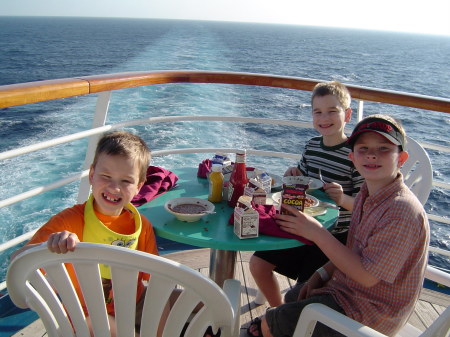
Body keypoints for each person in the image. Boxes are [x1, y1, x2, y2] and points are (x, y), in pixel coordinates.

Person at [247, 114, 430, 337]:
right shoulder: (368, 193)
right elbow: (355, 247)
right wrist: (321, 273)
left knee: (265, 327)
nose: (372, 154)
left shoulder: (401, 211)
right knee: (292, 299)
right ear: (353, 158)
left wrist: (316, 232)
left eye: (383, 148)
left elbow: (367, 277)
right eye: (363, 149)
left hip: (368, 313)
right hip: (346, 291)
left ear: (401, 158)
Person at [10, 131, 173, 336]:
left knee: (169, 294)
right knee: (98, 323)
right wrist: (48, 246)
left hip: (134, 304)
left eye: (126, 181)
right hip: (88, 318)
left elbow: (156, 277)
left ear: (139, 186)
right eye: (106, 176)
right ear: (91, 175)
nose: (114, 187)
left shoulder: (143, 227)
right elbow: (17, 260)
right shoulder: (67, 222)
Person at [250, 81, 364, 307]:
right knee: (257, 264)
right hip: (302, 226)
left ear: (348, 114)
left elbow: (365, 206)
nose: (324, 118)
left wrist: (342, 199)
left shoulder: (355, 155)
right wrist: (294, 175)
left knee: (303, 290)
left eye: (332, 111)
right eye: (318, 112)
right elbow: (302, 179)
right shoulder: (311, 145)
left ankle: (284, 319)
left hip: (335, 237)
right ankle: (278, 312)